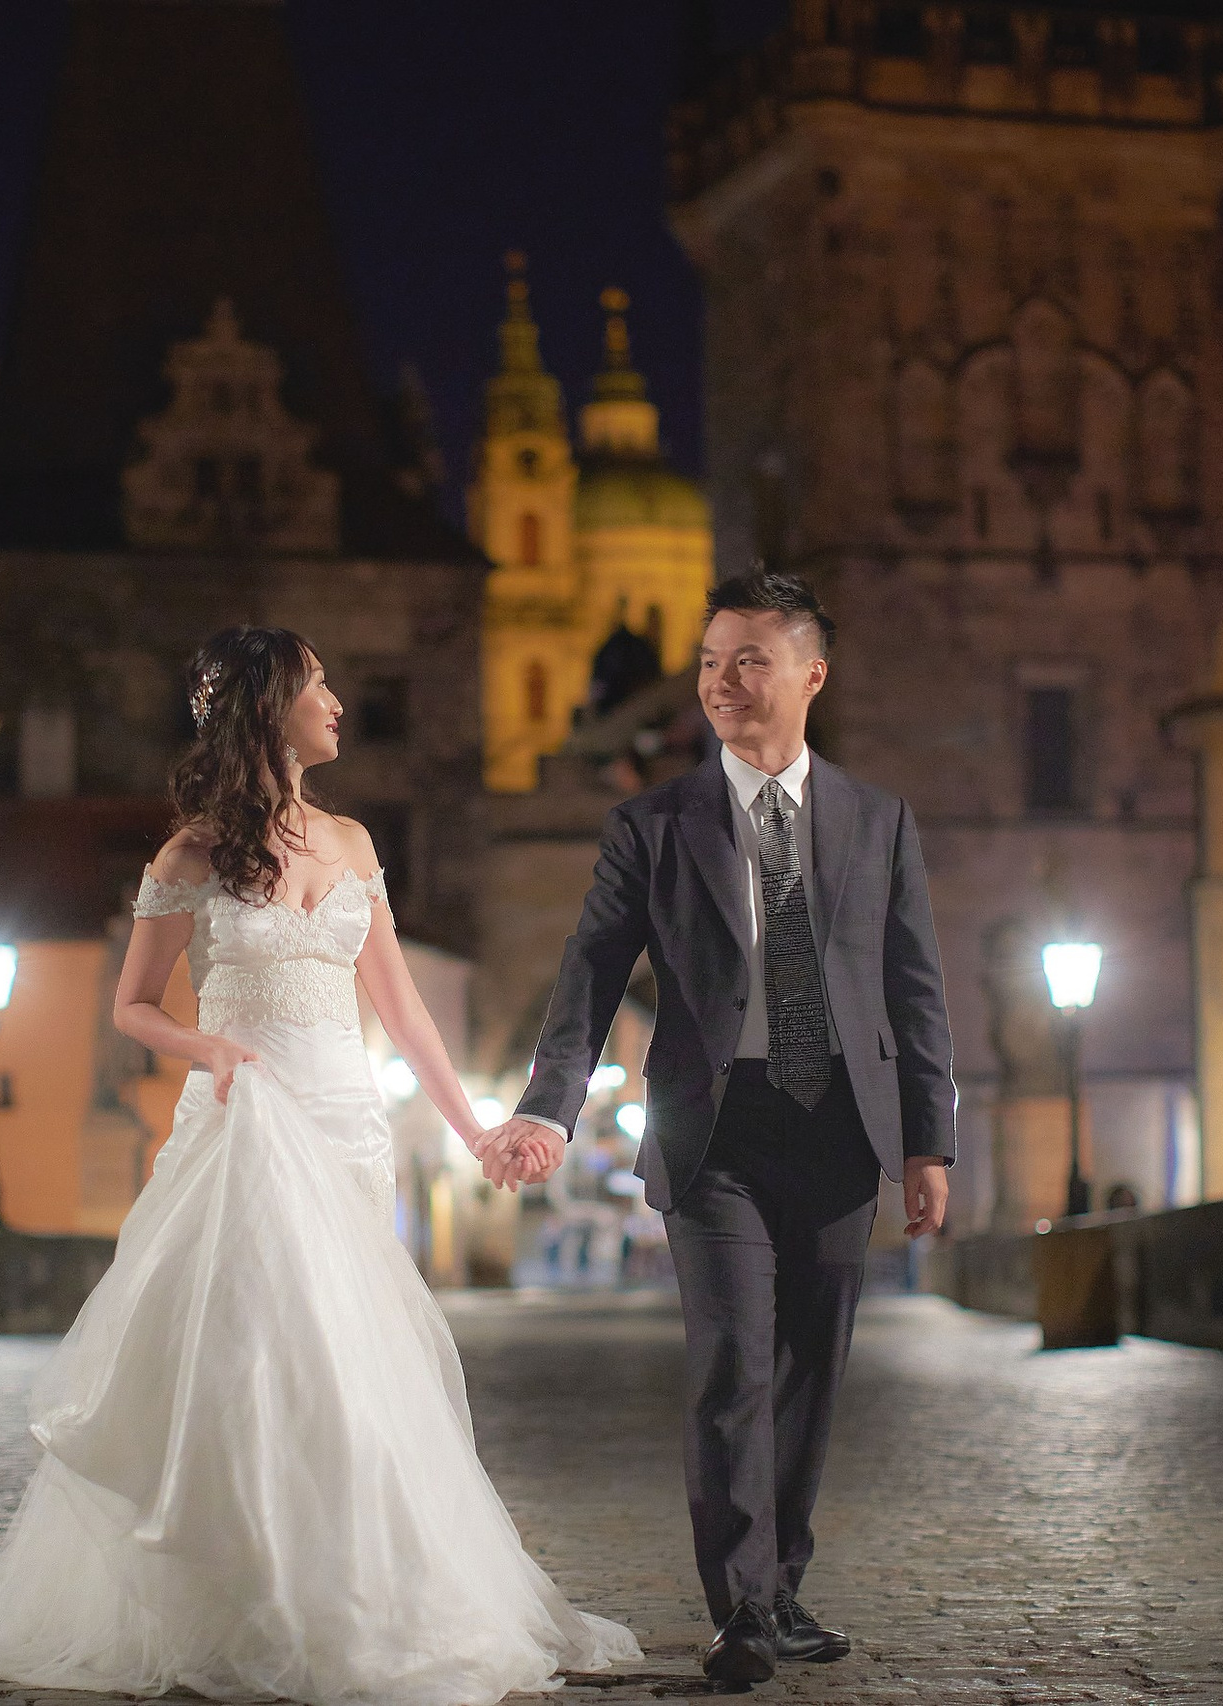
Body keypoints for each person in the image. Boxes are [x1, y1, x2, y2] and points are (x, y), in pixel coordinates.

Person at [0, 626, 638, 1705]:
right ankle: (242, 1590)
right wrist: (207, 1046)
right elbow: (130, 1004)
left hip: (343, 1126)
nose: (335, 700)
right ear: (270, 705)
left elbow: (402, 1006)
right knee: (253, 1355)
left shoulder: (355, 841)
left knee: (349, 1362)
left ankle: (359, 1588)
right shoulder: (187, 855)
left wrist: (472, 1128)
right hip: (241, 1121)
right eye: (319, 682)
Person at [476, 570, 957, 1686]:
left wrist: (926, 1141)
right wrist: (547, 1106)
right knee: (732, 1361)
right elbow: (589, 975)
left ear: (809, 673)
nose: (721, 681)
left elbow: (914, 985)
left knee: (810, 1371)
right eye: (708, 662)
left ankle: (781, 1583)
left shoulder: (878, 820)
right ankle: (740, 1607)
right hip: (714, 1133)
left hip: (841, 1124)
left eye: (747, 659)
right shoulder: (652, 824)